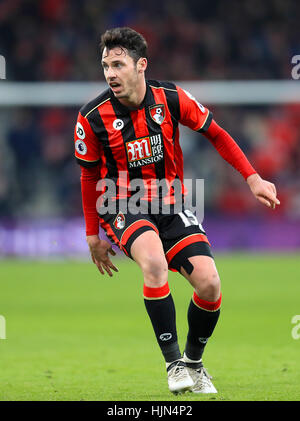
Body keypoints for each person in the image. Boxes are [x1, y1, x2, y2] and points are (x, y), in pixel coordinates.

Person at [73, 27, 280, 394]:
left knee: (210, 283)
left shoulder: (170, 97)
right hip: (122, 203)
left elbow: (216, 132)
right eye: (106, 65)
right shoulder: (92, 117)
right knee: (153, 262)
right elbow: (89, 177)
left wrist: (252, 178)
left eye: (118, 64)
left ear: (141, 65)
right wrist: (93, 235)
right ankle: (173, 365)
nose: (110, 73)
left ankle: (194, 364)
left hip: (171, 202)